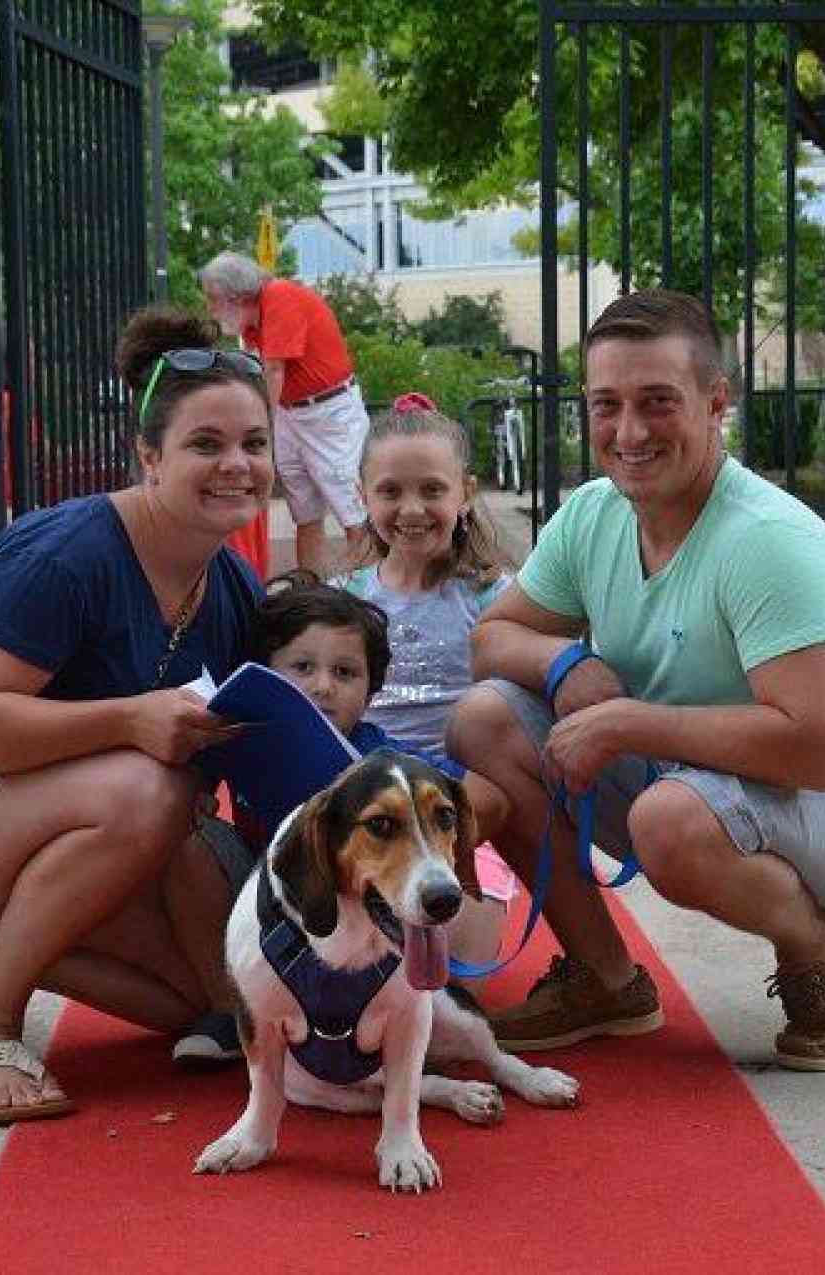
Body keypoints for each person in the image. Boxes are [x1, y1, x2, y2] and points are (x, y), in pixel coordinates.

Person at [448, 289, 825, 1073]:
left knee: (669, 821)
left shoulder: (764, 540)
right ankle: (605, 980)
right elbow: (491, 638)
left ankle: (824, 944)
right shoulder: (592, 515)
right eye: (606, 405)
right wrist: (562, 661)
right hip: (709, 772)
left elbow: (818, 748)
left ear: (717, 403)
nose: (629, 432)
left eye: (658, 402)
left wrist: (625, 724)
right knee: (484, 720)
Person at [0, 305, 272, 1120]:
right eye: (204, 445)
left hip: (24, 796)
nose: (235, 465)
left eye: (254, 443)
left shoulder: (233, 585)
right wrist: (133, 719)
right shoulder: (73, 552)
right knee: (150, 793)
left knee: (188, 1000)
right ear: (149, 457)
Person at [244, 573, 514, 971]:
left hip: (398, 882)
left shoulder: (379, 758)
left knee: (459, 970)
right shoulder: (247, 747)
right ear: (264, 674)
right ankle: (226, 1007)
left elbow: (490, 798)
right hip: (287, 884)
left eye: (345, 673)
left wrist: (429, 847)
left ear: (372, 689)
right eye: (302, 667)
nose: (323, 687)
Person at [336, 391, 523, 954]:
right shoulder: (345, 599)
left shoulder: (495, 595)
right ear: (361, 497)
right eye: (390, 491)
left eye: (432, 490)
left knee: (464, 967)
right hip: (369, 800)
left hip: (459, 808)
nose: (412, 509)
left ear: (465, 493)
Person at [198, 251, 370, 576]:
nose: (210, 308)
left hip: (328, 413)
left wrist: (256, 424)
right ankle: (311, 591)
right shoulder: (251, 319)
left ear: (236, 296)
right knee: (303, 510)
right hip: (293, 413)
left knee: (350, 506)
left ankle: (370, 594)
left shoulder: (279, 296)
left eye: (213, 299)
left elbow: (273, 370)